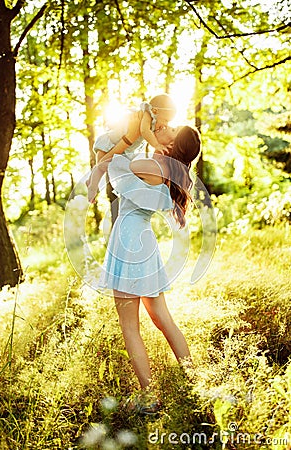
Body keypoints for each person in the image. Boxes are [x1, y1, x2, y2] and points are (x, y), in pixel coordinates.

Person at [88, 122, 201, 415]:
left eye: (169, 131)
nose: (163, 128)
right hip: (143, 242)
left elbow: (108, 158)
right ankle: (194, 381)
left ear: (170, 146)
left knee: (130, 326)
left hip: (128, 242)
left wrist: (140, 132)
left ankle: (149, 397)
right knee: (163, 318)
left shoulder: (150, 165)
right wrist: (147, 135)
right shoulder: (165, 170)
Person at [87, 94, 177, 208]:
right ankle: (92, 186)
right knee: (100, 167)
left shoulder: (154, 122)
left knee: (103, 167)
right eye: (165, 120)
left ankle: (91, 181)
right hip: (111, 142)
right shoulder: (147, 115)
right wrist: (156, 145)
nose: (166, 124)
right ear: (155, 111)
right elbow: (145, 132)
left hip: (123, 147)